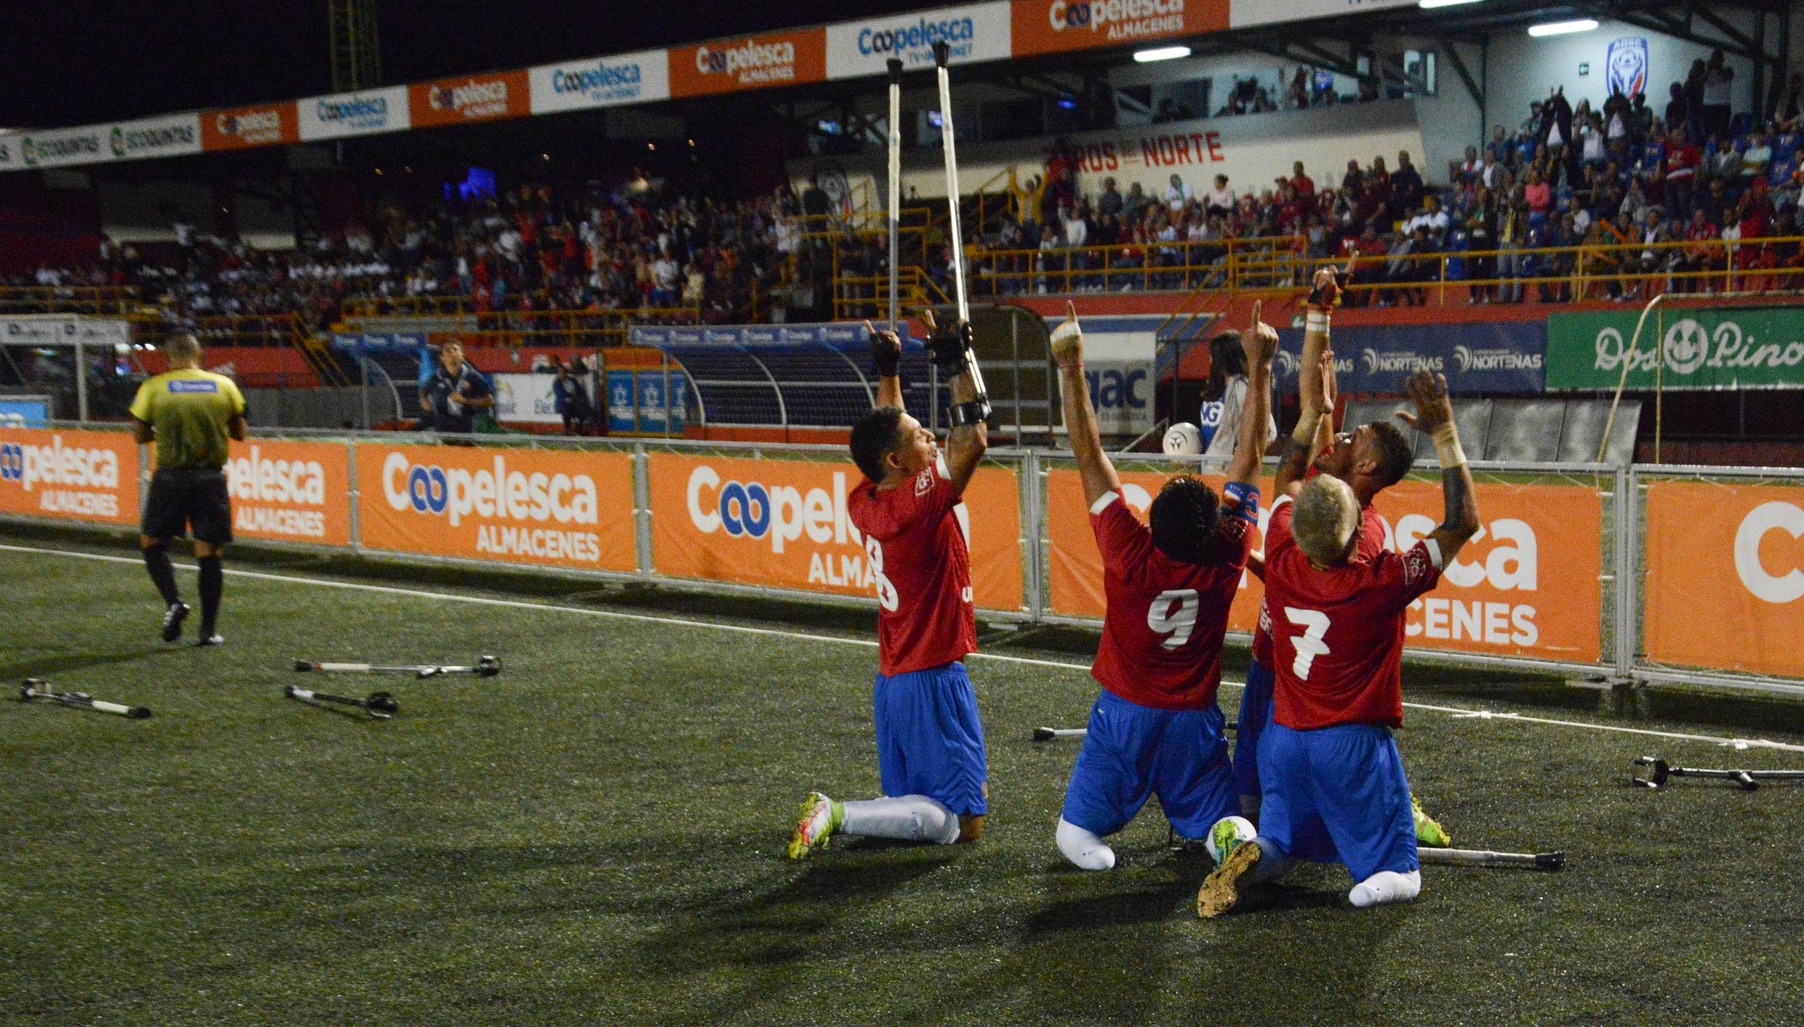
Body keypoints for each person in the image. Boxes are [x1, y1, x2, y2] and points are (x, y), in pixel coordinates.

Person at [1198, 358, 1480, 917]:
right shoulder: (1374, 579)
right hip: (1348, 739)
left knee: (1281, 842)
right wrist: (1445, 429)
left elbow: (1285, 480)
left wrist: (1312, 415)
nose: (1343, 436)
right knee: (1397, 867)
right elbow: (1463, 521)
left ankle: (1261, 854)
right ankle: (1374, 883)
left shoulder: (1280, 544)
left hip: (1286, 733)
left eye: (1352, 437)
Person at [1048, 299, 1273, 870]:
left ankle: (1099, 857)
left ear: (1152, 525)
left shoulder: (1128, 550)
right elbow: (1249, 460)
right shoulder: (1228, 554)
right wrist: (1263, 368)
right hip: (1192, 717)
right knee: (1223, 820)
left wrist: (1071, 367)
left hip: (1124, 713)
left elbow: (1089, 452)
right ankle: (1231, 841)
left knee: (1074, 835)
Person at [1229, 269, 1448, 853]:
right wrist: (1318, 312)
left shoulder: (1343, 518)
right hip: (1281, 655)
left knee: (1272, 785)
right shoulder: (1339, 503)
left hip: (1293, 668)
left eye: (1351, 440)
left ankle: (1365, 817)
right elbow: (1314, 403)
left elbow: (1305, 431)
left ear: (1366, 470)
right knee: (1261, 789)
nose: (1338, 437)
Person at [788, 311, 990, 857]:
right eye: (921, 436)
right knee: (962, 821)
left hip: (895, 680)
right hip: (931, 678)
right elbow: (972, 440)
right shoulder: (914, 508)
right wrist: (953, 357)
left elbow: (888, 425)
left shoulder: (867, 498)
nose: (929, 434)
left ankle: (858, 819)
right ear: (899, 463)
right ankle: (841, 813)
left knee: (919, 805)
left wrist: (890, 368)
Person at [128, 332, 247, 647]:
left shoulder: (154, 387)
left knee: (152, 542)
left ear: (168, 358)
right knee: (209, 552)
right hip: (210, 478)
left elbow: (139, 435)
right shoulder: (224, 386)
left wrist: (167, 430)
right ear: (201, 355)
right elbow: (240, 433)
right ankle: (207, 631)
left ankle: (174, 602)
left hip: (170, 477)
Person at [1197, 329, 1276, 460]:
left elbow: (1269, 431)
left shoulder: (1244, 388)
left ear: (1222, 357)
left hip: (1229, 470)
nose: (1209, 359)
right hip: (1208, 468)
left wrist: (1241, 455)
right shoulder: (1216, 387)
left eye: (1213, 354)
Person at [420, 341, 494, 440]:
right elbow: (423, 392)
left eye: (455, 349)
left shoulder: (472, 376)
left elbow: (490, 401)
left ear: (462, 355)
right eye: (448, 350)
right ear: (442, 357)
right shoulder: (436, 377)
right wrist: (425, 402)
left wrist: (466, 401)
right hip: (442, 430)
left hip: (466, 430)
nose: (452, 353)